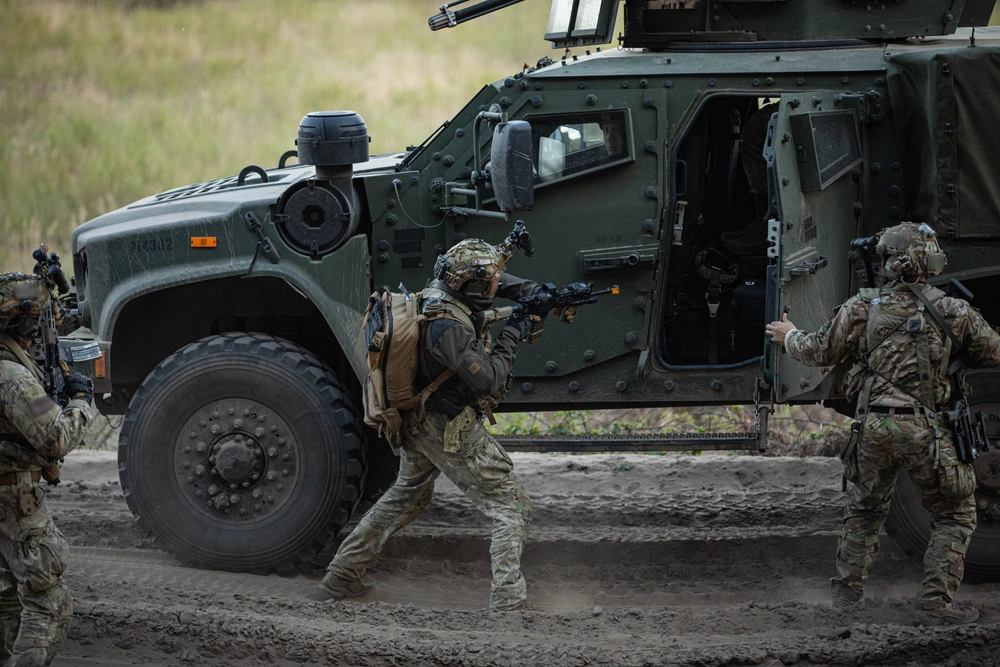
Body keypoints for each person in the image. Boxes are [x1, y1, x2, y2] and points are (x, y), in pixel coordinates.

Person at [766, 222, 1000, 625]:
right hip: (926, 432)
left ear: (889, 261)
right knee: (956, 513)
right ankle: (935, 606)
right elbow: (993, 353)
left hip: (871, 428)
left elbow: (817, 350)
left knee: (865, 510)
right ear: (929, 262)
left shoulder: (861, 307)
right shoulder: (952, 310)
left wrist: (788, 335)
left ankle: (845, 601)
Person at [313, 239, 553, 611]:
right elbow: (489, 381)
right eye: (489, 281)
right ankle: (508, 600)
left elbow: (495, 280)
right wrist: (513, 333)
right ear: (472, 285)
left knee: (406, 496)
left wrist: (535, 293)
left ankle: (341, 575)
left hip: (417, 421)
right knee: (511, 505)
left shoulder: (441, 290)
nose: (495, 285)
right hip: (445, 427)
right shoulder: (449, 330)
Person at [0, 272, 94, 665]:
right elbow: (54, 436)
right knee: (48, 599)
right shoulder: (14, 378)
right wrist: (80, 403)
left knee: (9, 598)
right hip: (14, 496)